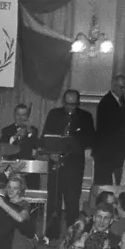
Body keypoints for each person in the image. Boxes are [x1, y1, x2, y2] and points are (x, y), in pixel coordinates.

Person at [41, 90, 93, 227]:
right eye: (68, 104)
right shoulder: (54, 114)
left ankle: (72, 233)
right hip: (56, 163)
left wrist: (74, 138)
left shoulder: (86, 117)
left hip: (74, 165)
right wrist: (51, 152)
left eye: (74, 104)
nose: (70, 107)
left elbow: (91, 139)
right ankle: (51, 233)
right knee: (54, 199)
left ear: (78, 103)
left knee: (73, 201)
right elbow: (45, 137)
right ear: (63, 102)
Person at [94, 75, 125, 185]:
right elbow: (110, 129)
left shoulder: (120, 99)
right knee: (104, 184)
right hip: (105, 151)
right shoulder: (107, 103)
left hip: (113, 149)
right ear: (113, 86)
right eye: (121, 87)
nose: (124, 91)